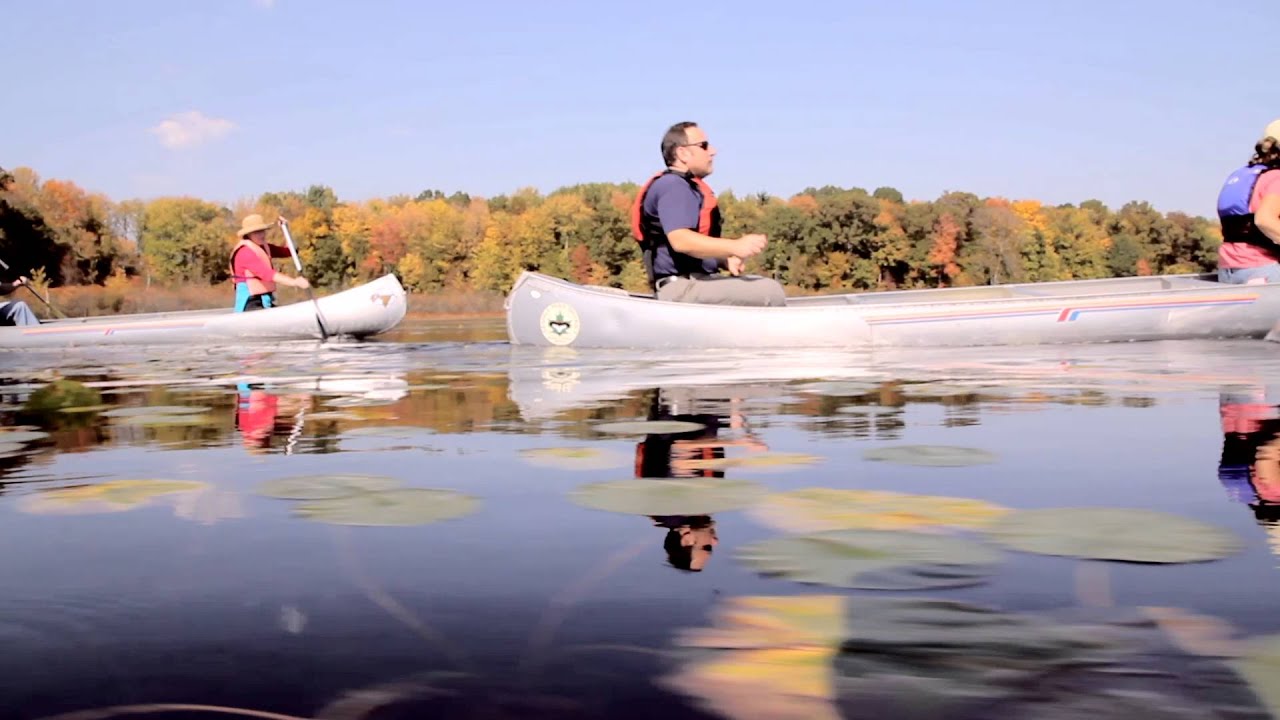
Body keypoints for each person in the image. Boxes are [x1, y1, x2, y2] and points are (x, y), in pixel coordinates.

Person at [631, 122, 786, 306]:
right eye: (703, 146)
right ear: (682, 153)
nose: (712, 151)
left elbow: (686, 249)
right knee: (770, 290)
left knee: (762, 285)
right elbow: (680, 240)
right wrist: (734, 246)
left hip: (692, 283)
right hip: (681, 289)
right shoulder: (673, 186)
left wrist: (723, 260)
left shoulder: (683, 187)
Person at [1217, 119, 1280, 284]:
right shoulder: (1277, 178)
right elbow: (1264, 220)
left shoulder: (1245, 174)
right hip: (1262, 271)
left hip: (1228, 272)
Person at [229, 214, 311, 312]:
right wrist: (294, 282)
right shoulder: (244, 252)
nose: (262, 235)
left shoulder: (263, 247)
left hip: (264, 300)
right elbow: (267, 274)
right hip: (249, 303)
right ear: (248, 234)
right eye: (256, 232)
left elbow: (290, 251)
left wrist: (286, 230)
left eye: (262, 231)